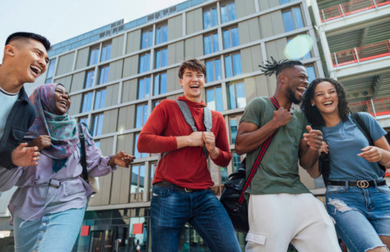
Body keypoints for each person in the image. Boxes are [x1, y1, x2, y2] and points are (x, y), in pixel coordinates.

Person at [0, 83, 135, 252]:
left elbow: (92, 164)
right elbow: (7, 176)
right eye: (59, 92)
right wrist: (32, 147)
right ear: (44, 97)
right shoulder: (22, 131)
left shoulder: (77, 131)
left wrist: (113, 160)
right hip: (30, 202)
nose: (65, 97)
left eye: (68, 95)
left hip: (70, 198)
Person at [235, 59, 340, 252]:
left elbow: (306, 163)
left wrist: (314, 147)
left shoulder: (300, 117)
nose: (306, 82)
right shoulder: (259, 105)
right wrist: (275, 123)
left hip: (298, 191)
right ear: (282, 79)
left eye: (307, 78)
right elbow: (240, 145)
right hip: (265, 192)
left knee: (325, 233)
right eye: (301, 77)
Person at [137, 59, 241, 252]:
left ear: (204, 80)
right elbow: (143, 142)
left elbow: (225, 158)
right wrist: (187, 140)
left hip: (204, 196)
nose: (195, 79)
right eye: (189, 75)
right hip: (168, 194)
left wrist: (213, 150)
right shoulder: (166, 107)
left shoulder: (216, 118)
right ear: (181, 81)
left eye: (199, 75)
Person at [302, 78, 390, 252]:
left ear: (339, 95)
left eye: (331, 91)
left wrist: (380, 154)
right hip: (343, 199)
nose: (327, 96)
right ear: (312, 101)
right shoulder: (314, 132)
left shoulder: (362, 120)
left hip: (380, 194)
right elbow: (313, 173)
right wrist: (316, 150)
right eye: (320, 94)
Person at [0, 32, 51, 171]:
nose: (43, 63)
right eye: (37, 54)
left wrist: (12, 158)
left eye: (46, 60)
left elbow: (4, 154)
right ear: (10, 51)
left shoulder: (28, 111)